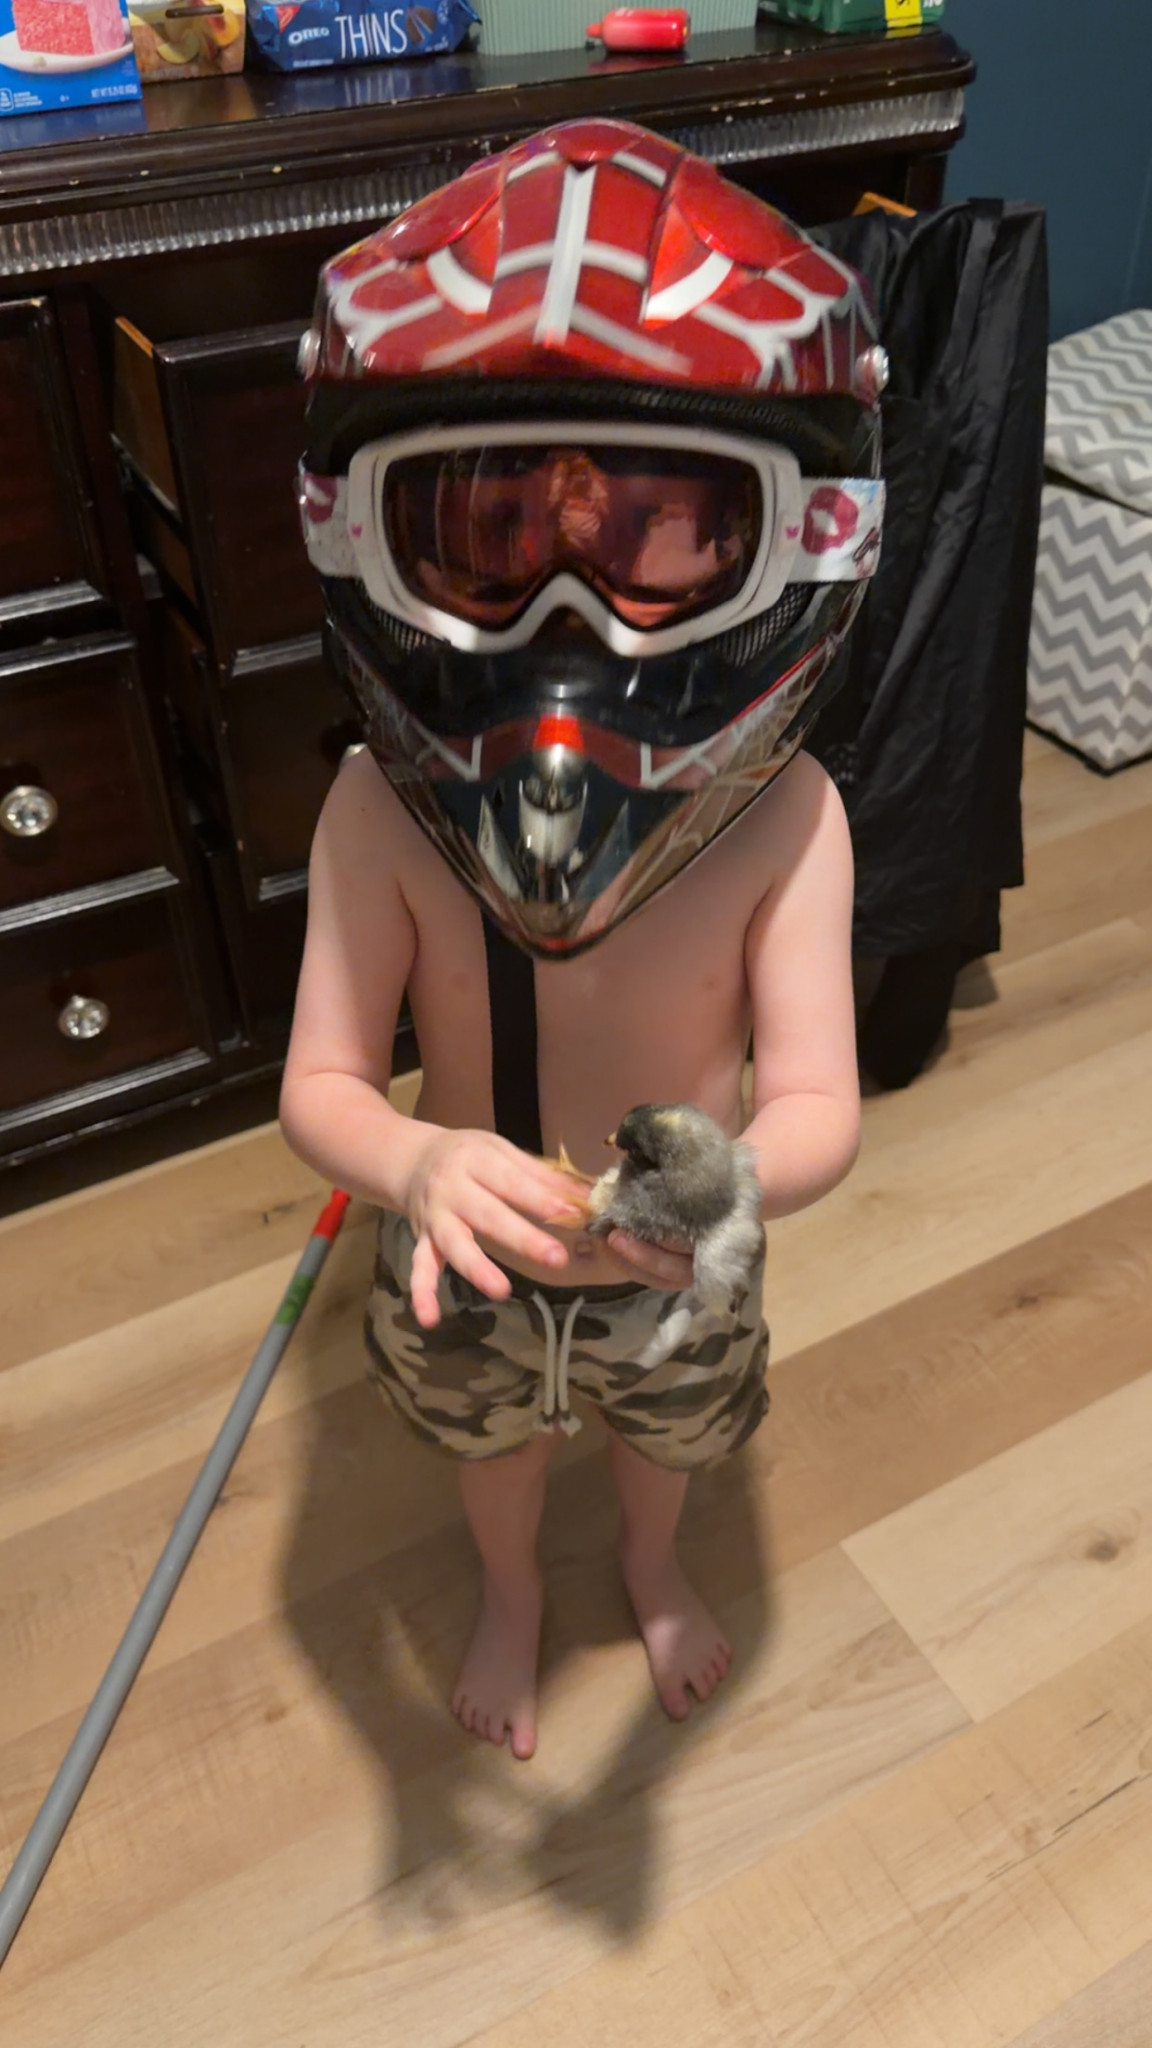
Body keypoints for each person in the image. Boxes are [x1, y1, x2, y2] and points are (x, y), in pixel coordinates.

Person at [281, 117, 887, 1761]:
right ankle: (511, 1589)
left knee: (666, 1437)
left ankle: (647, 1562)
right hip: (468, 1248)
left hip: (674, 1261)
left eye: (650, 529)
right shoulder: (377, 809)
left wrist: (732, 1188)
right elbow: (321, 1085)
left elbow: (820, 1101)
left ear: (800, 534)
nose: (571, 610)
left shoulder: (789, 815)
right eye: (492, 534)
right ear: (365, 530)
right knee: (489, 1449)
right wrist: (415, 1164)